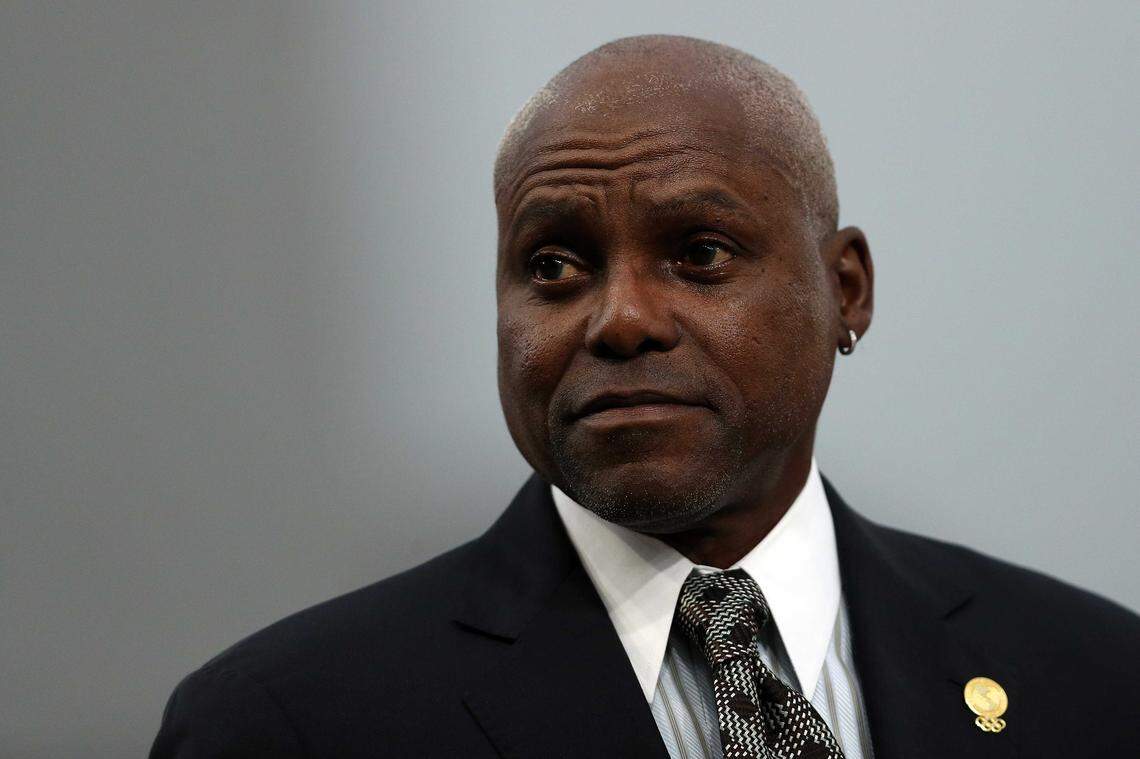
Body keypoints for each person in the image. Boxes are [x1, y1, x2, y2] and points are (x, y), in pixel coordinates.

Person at [150, 35, 1139, 759]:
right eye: (553, 265)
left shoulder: (1097, 680)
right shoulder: (287, 725)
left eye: (699, 253)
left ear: (845, 291)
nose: (620, 319)